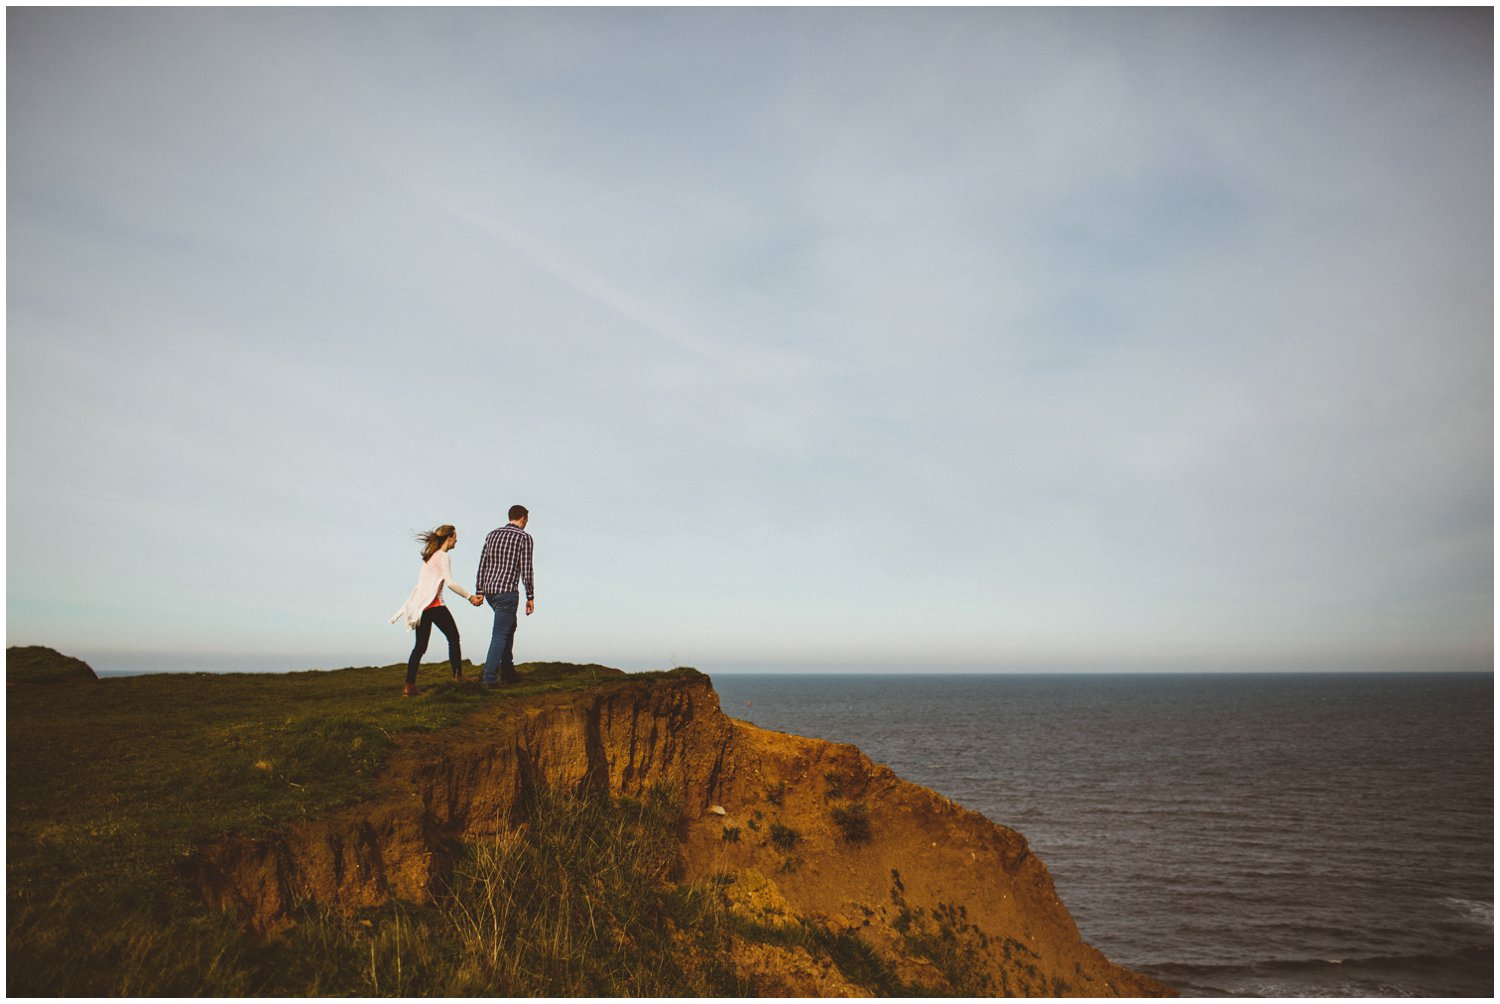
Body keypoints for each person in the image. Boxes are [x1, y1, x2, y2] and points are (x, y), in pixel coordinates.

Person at [390, 524, 484, 696]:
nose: (457, 539)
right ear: (449, 538)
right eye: (455, 536)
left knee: (420, 647)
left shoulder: (430, 557)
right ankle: (458, 677)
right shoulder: (442, 556)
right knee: (454, 637)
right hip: (435, 605)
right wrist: (470, 596)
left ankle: (408, 686)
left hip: (421, 608)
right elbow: (450, 582)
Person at [475, 504, 535, 688]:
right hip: (507, 592)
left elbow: (482, 564)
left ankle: (508, 671)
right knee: (500, 633)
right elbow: (526, 568)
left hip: (490, 592)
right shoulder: (524, 537)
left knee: (509, 626)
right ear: (523, 518)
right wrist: (530, 596)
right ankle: (490, 678)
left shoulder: (492, 535)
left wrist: (479, 591)